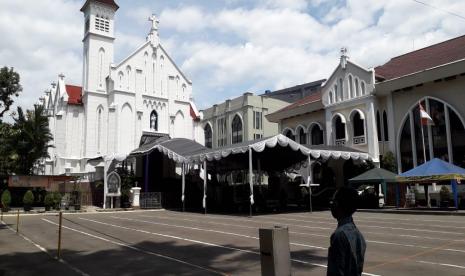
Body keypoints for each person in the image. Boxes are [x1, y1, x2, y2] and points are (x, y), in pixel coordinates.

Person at [327, 186, 366, 276]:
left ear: (338, 204)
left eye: (333, 201)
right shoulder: (358, 234)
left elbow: (335, 271)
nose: (331, 205)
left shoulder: (339, 235)